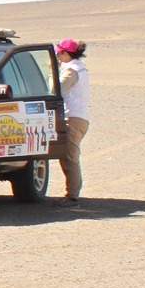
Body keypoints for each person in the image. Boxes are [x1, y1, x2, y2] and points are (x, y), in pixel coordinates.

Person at [56, 38, 91, 205]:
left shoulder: (71, 71)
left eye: (58, 52)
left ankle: (72, 196)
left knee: (70, 158)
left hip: (72, 118)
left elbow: (56, 89)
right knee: (69, 157)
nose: (57, 55)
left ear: (64, 52)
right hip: (79, 118)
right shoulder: (79, 68)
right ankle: (72, 193)